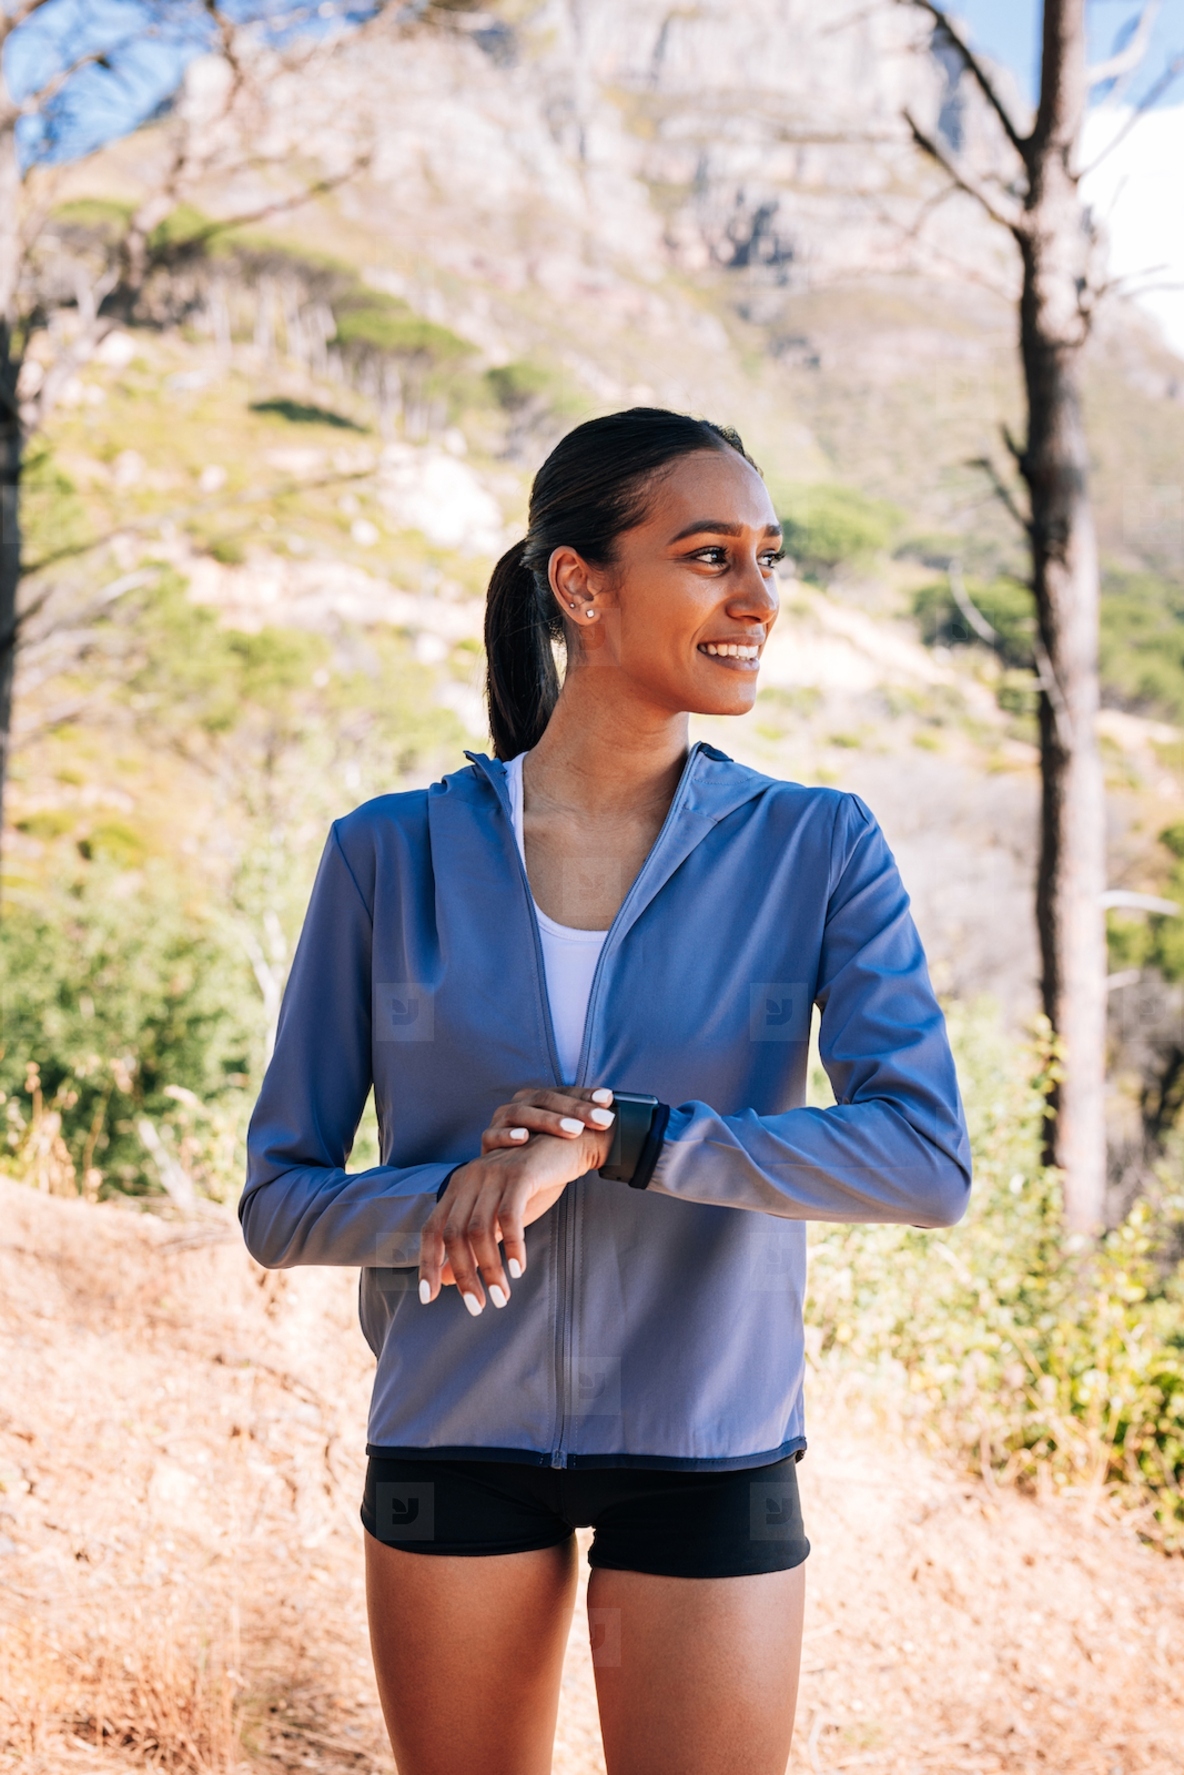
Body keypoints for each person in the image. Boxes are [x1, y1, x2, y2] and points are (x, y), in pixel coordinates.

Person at [240, 408, 971, 1775]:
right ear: (580, 584)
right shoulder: (387, 855)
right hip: (457, 1435)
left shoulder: (818, 845)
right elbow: (280, 1200)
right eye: (709, 557)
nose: (757, 600)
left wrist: (618, 1141)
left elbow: (925, 1158)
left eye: (769, 558)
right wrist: (445, 1196)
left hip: (710, 1442)